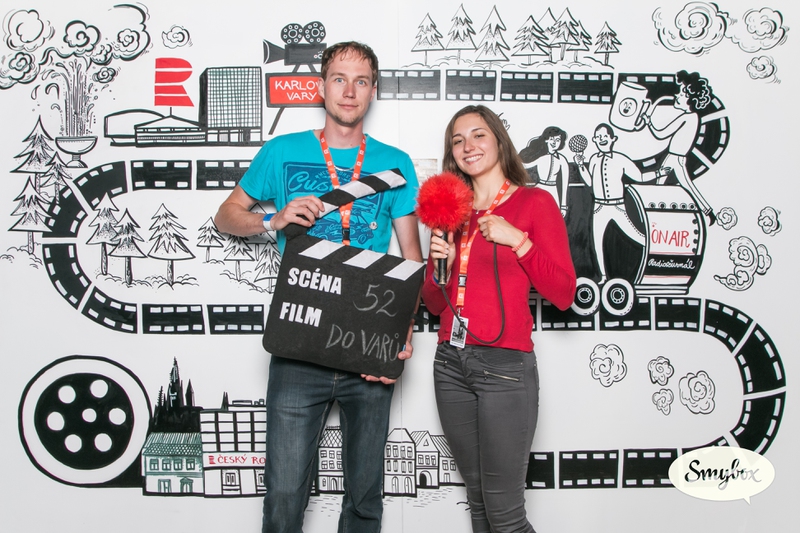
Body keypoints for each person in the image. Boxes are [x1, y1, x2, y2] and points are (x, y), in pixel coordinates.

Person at [214, 41, 422, 533]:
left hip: (367, 345)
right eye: (339, 79)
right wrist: (273, 219)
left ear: (373, 90)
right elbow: (225, 215)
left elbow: (411, 258)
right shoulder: (281, 152)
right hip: (298, 343)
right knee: (285, 495)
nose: (349, 91)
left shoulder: (396, 163)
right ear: (321, 87)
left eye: (361, 81)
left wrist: (402, 333)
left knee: (365, 496)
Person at [422, 105, 576, 533]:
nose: (468, 146)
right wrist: (440, 265)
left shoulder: (534, 203)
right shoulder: (450, 212)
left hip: (505, 367)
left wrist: (519, 241)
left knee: (506, 516)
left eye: (478, 135)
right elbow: (434, 303)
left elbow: (564, 294)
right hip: (450, 365)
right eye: (458, 140)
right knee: (478, 504)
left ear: (499, 141)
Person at [575, 123, 659, 284]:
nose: (602, 139)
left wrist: (659, 173)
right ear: (594, 140)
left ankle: (653, 257)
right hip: (599, 207)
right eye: (598, 137)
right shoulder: (594, 159)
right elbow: (590, 182)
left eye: (605, 136)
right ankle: (603, 277)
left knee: (636, 235)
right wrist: (580, 165)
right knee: (597, 242)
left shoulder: (621, 159)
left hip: (617, 206)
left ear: (613, 139)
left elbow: (640, 177)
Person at [642, 70, 716, 225]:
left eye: (681, 93)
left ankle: (658, 216)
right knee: (667, 185)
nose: (677, 95)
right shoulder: (693, 117)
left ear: (690, 98)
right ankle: (706, 211)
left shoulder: (687, 118)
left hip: (676, 158)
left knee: (673, 186)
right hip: (674, 157)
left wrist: (648, 122)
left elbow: (661, 134)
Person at [518, 126, 571, 217]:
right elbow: (522, 165)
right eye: (552, 139)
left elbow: (564, 183)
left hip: (553, 191)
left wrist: (563, 206)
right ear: (546, 140)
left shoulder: (562, 160)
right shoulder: (539, 156)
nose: (554, 142)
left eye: (558, 140)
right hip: (539, 188)